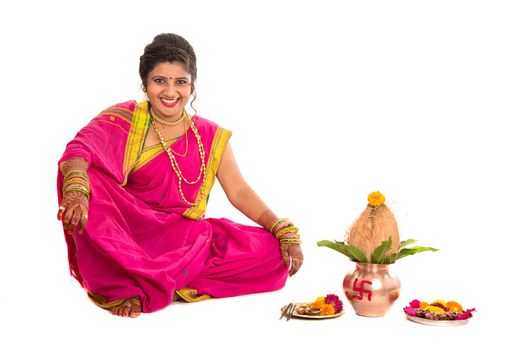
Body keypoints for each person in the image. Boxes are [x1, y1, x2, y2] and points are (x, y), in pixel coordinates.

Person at [56, 33, 303, 318]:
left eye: (180, 82)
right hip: (132, 235)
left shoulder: (210, 135)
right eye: (160, 81)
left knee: (272, 253)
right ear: (145, 84)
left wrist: (282, 229)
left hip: (184, 238)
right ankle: (139, 281)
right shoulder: (124, 119)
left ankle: (158, 280)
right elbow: (79, 149)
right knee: (87, 178)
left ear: (192, 85)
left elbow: (239, 192)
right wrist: (77, 190)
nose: (170, 92)